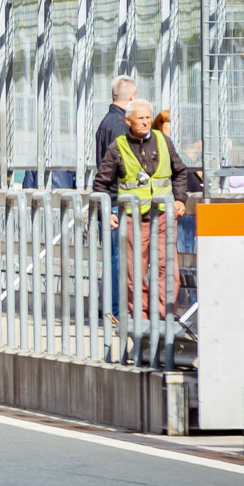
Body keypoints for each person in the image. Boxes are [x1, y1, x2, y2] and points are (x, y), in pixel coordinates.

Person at [92, 99, 200, 353]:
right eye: (140, 118)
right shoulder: (118, 147)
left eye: (147, 118)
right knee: (134, 273)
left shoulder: (163, 141)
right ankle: (140, 323)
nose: (145, 122)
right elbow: (101, 183)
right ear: (128, 121)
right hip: (133, 219)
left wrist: (180, 199)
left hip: (162, 216)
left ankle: (163, 319)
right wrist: (105, 211)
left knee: (166, 266)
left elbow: (180, 172)